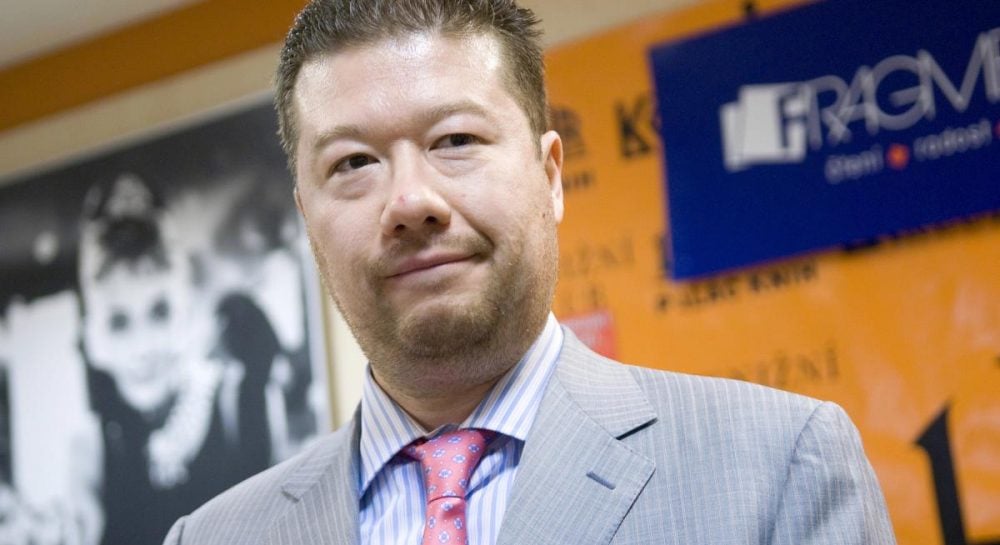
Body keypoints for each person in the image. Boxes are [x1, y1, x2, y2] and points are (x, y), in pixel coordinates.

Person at [164, 1, 896, 543]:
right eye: (353, 162)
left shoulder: (779, 466)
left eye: (455, 139)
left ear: (550, 176)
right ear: (306, 216)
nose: (410, 201)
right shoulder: (211, 537)